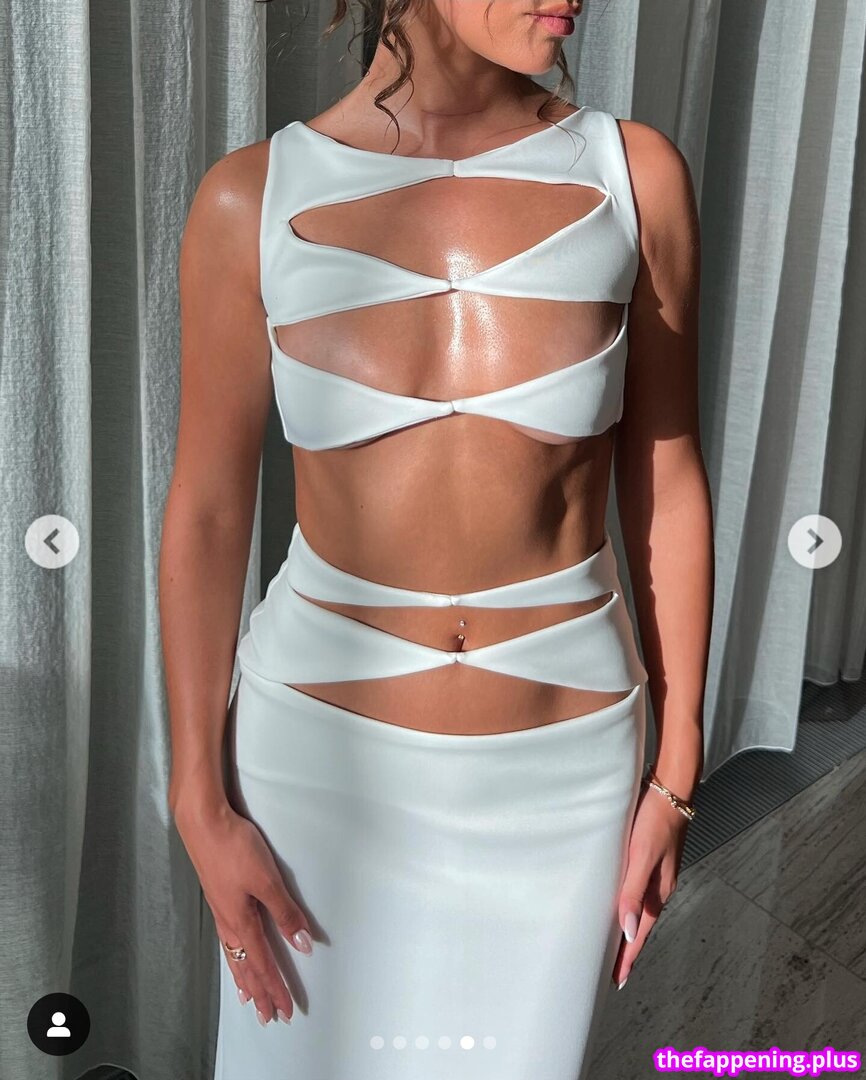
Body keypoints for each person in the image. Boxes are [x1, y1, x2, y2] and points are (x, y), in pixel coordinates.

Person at [159, 0, 713, 1076]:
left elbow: (668, 478)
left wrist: (675, 773)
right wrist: (198, 800)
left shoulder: (635, 176)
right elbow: (209, 510)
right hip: (313, 764)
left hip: (563, 771)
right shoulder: (248, 198)